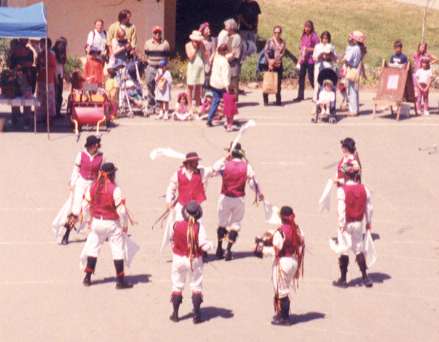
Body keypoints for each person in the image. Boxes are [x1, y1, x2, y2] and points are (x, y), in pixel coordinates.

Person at [80, 162, 133, 289]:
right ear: (112, 174)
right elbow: (121, 211)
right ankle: (120, 281)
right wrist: (125, 225)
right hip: (111, 223)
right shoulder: (115, 189)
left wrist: (88, 220)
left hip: (97, 222)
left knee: (93, 248)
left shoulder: (92, 187)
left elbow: (85, 206)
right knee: (117, 250)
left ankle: (87, 277)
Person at [212, 143, 264, 261]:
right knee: (235, 224)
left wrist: (225, 158)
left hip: (224, 198)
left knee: (222, 223)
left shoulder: (225, 164)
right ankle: (229, 250)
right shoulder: (246, 167)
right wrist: (259, 193)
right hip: (239, 199)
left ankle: (219, 248)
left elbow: (214, 168)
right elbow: (253, 182)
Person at [52, 135, 103, 245]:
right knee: (75, 209)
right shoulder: (81, 155)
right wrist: (72, 183)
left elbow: (101, 175)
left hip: (92, 184)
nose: (96, 147)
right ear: (90, 146)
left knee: (88, 208)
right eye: (95, 145)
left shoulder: (101, 157)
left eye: (97, 145)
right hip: (81, 182)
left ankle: (91, 234)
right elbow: (76, 170)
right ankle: (66, 234)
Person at [169, 201, 213, 324]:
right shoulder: (199, 227)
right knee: (196, 285)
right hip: (194, 259)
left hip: (178, 258)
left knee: (177, 285)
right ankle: (197, 315)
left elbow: (171, 239)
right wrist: (210, 245)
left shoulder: (176, 225)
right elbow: (204, 246)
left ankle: (175, 314)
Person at [333, 162, 373, 288]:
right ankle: (365, 277)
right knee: (358, 249)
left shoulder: (342, 190)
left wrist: (341, 224)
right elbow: (369, 208)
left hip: (346, 223)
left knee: (344, 250)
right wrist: (368, 222)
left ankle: (343, 279)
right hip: (358, 222)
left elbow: (341, 209)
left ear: (345, 175)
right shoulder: (364, 188)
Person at [271, 206, 305, 325]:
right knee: (284, 288)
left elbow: (276, 249)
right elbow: (301, 244)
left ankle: (285, 318)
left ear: (281, 217)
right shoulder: (297, 229)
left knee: (282, 290)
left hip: (283, 262)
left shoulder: (280, 232)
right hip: (294, 261)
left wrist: (260, 249)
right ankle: (282, 314)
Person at [165, 152, 214, 222]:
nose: (197, 164)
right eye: (195, 162)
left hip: (196, 209)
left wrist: (226, 159)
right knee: (180, 227)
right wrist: (168, 201)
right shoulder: (178, 174)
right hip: (181, 206)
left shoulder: (202, 172)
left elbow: (214, 169)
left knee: (197, 229)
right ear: (188, 163)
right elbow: (171, 188)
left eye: (197, 161)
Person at [7, 39, 35, 126]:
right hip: (16, 77)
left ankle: (25, 120)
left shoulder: (29, 52)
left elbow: (30, 63)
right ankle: (17, 119)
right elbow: (10, 65)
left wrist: (20, 66)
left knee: (25, 98)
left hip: (26, 77)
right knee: (15, 98)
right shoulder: (14, 52)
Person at [144, 26, 171, 115]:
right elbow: (146, 55)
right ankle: (151, 106)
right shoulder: (148, 43)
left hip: (161, 68)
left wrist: (165, 68)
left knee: (161, 87)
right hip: (151, 67)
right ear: (153, 34)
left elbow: (167, 56)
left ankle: (159, 106)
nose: (157, 34)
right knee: (149, 84)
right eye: (155, 32)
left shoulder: (165, 43)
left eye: (159, 32)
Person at [342, 31, 367, 116]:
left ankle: (353, 110)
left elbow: (347, 59)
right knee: (355, 91)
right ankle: (356, 109)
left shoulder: (354, 48)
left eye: (352, 38)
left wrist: (340, 59)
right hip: (356, 69)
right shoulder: (359, 48)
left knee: (351, 90)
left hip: (352, 69)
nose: (350, 39)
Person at [294, 20, 319, 102]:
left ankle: (317, 94)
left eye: (308, 27)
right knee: (301, 77)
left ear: (311, 27)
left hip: (311, 60)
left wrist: (308, 49)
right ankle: (300, 95)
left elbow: (318, 47)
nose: (307, 28)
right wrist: (300, 56)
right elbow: (301, 47)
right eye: (305, 27)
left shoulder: (314, 36)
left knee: (311, 77)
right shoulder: (303, 36)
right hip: (303, 59)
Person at [206, 43, 231, 127]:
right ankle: (228, 121)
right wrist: (227, 86)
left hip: (214, 83)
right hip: (222, 85)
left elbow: (219, 52)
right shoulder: (225, 63)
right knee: (228, 103)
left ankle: (209, 118)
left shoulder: (216, 58)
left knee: (215, 101)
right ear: (225, 51)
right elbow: (225, 75)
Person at [218, 19, 242, 99]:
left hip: (233, 64)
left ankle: (234, 101)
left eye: (226, 26)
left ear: (231, 27)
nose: (225, 27)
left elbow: (235, 53)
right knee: (227, 83)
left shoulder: (237, 37)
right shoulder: (226, 36)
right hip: (226, 62)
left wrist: (227, 58)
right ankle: (228, 100)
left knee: (233, 84)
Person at [263, 25, 286, 106]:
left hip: (279, 64)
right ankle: (265, 100)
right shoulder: (270, 41)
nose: (277, 34)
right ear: (273, 32)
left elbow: (283, 53)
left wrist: (277, 60)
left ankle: (278, 100)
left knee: (278, 83)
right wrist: (270, 62)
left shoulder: (283, 42)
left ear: (281, 33)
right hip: (269, 63)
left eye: (279, 32)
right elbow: (265, 52)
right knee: (268, 82)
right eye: (275, 32)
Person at [35, 38, 57, 123]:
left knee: (49, 99)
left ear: (47, 45)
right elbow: (37, 64)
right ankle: (40, 116)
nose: (40, 46)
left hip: (49, 79)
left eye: (42, 44)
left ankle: (49, 117)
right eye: (40, 44)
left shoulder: (51, 55)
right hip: (40, 79)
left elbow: (53, 67)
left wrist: (45, 68)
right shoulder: (40, 54)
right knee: (40, 98)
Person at [186, 30, 207, 115]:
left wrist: (202, 47)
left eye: (198, 41)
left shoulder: (201, 44)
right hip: (192, 67)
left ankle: (197, 105)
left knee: (199, 87)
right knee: (190, 87)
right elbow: (190, 57)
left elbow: (205, 55)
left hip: (200, 67)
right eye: (196, 41)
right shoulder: (188, 45)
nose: (197, 42)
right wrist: (195, 49)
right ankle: (190, 106)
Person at [312, 31, 337, 101]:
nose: (325, 40)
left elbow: (335, 58)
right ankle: (315, 99)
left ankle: (329, 100)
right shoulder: (317, 46)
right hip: (319, 65)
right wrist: (320, 56)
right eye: (323, 38)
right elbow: (314, 57)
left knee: (327, 82)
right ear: (321, 38)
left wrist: (331, 56)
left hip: (328, 66)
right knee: (317, 82)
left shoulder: (331, 46)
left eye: (326, 38)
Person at [84, 19, 108, 86]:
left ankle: (97, 93)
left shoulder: (105, 34)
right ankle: (90, 93)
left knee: (99, 77)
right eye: (98, 25)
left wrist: (106, 53)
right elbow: (89, 47)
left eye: (101, 25)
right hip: (92, 59)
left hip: (101, 60)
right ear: (95, 26)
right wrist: (99, 52)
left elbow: (107, 45)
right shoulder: (92, 33)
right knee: (91, 77)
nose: (99, 26)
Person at [199, 22, 217, 91]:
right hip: (202, 61)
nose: (209, 30)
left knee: (209, 78)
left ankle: (209, 95)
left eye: (209, 29)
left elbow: (214, 51)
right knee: (202, 79)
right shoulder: (200, 40)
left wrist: (210, 59)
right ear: (203, 31)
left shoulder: (212, 40)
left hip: (210, 61)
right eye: (207, 29)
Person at [53, 37, 67, 118]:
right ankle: (54, 113)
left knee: (59, 95)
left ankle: (57, 112)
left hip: (60, 75)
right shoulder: (54, 53)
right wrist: (56, 78)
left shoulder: (61, 54)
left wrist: (63, 75)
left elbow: (62, 65)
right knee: (56, 95)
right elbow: (54, 67)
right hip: (55, 76)